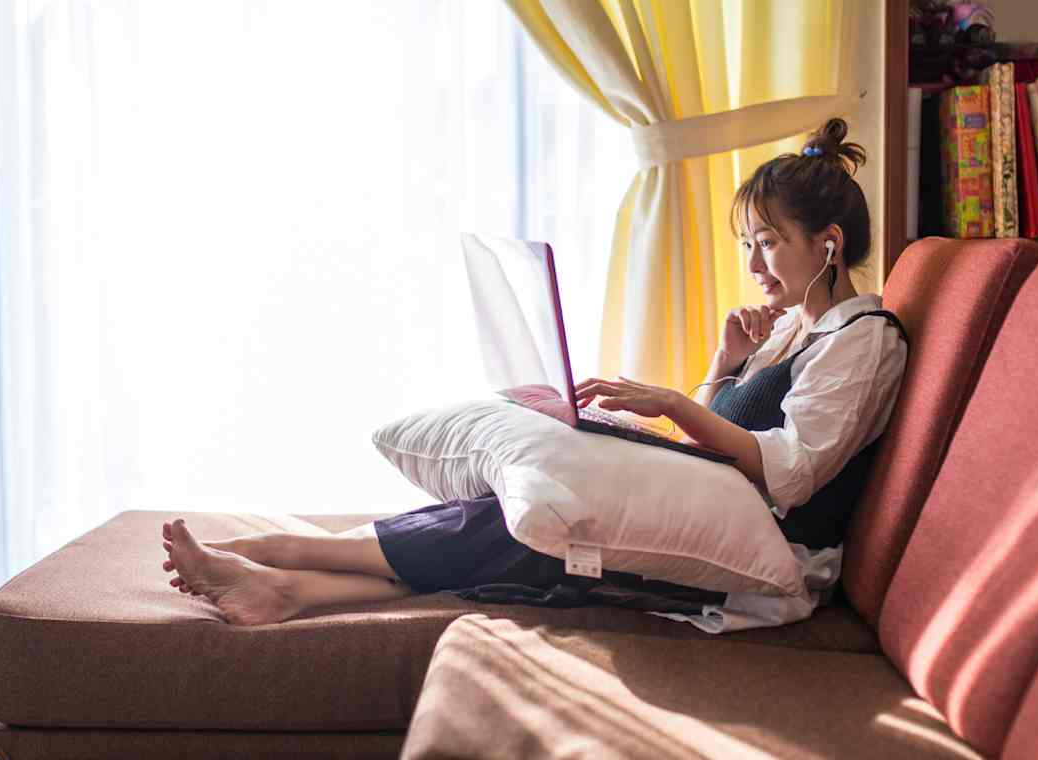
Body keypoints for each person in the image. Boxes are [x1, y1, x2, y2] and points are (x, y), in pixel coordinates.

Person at [159, 118, 909, 631]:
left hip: (769, 560)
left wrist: (678, 403)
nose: (751, 265)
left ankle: (285, 555)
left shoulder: (862, 341)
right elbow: (732, 440)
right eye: (747, 242)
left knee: (555, 517)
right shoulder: (792, 330)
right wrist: (724, 369)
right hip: (721, 510)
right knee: (537, 501)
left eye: (768, 244)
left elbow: (792, 472)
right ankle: (286, 588)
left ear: (830, 245)